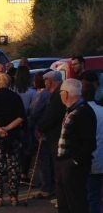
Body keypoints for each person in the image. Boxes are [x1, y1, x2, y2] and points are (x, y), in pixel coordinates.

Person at [56, 78, 96, 213]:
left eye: (61, 93)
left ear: (65, 94)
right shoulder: (71, 110)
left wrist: (74, 162)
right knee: (64, 206)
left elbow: (89, 143)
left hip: (73, 165)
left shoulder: (83, 112)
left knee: (76, 205)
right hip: (63, 163)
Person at [0, 73, 25, 207]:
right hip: (13, 136)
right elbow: (21, 117)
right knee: (13, 166)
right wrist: (7, 128)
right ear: (9, 83)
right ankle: (14, 197)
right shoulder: (16, 98)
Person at [37, 70, 66, 199]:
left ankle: (58, 193)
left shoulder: (57, 95)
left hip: (55, 135)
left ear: (51, 81)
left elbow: (52, 116)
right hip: (54, 133)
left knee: (55, 164)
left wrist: (41, 127)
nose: (44, 82)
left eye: (46, 80)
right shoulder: (56, 93)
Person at [82, 82, 103, 213]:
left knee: (92, 198)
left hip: (90, 161)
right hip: (99, 159)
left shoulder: (81, 113)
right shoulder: (101, 111)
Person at [13, 66, 36, 183]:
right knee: (27, 148)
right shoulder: (32, 92)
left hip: (14, 123)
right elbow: (33, 109)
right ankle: (24, 173)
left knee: (16, 149)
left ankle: (15, 171)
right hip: (27, 122)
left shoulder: (13, 90)